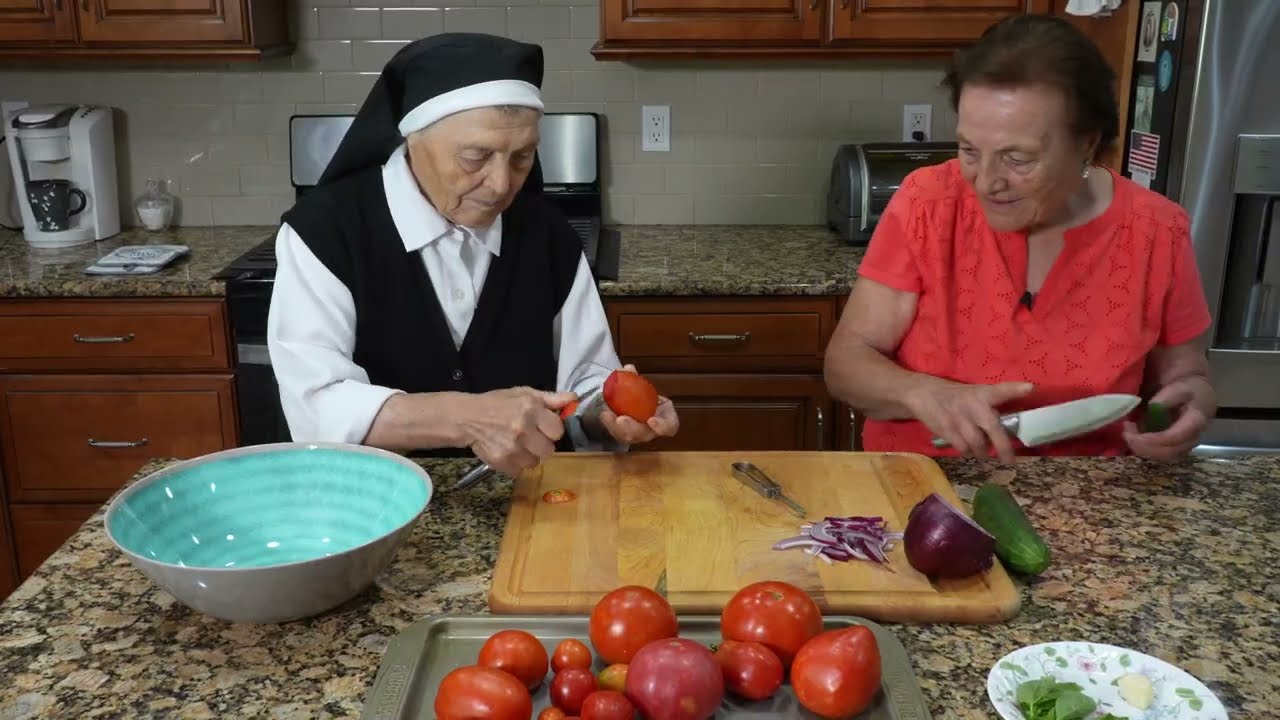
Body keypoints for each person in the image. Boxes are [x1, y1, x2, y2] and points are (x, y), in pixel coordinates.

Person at [267, 33, 679, 476]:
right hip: (374, 502)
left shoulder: (547, 235)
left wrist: (608, 419)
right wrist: (468, 417)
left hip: (529, 500)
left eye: (522, 157)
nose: (502, 185)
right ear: (413, 140)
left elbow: (584, 386)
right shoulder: (324, 231)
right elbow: (316, 405)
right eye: (474, 157)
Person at [824, 15, 1216, 464]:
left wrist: (1192, 401)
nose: (986, 182)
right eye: (970, 150)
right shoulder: (927, 202)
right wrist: (920, 392)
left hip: (1090, 497)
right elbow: (846, 364)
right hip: (924, 482)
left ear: (1086, 142)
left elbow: (1184, 372)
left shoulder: (1157, 231)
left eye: (1017, 158)